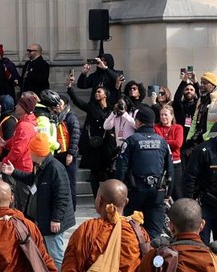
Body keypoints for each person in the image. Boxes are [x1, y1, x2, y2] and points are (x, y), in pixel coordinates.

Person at [0, 132, 75, 272]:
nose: (29, 154)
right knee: (47, 251)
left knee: (55, 254)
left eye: (31, 151)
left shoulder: (54, 168)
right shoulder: (41, 165)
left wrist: (56, 219)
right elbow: (32, 180)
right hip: (43, 216)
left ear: (37, 153)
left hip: (52, 220)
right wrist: (13, 172)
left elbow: (63, 195)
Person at [115, 107, 173, 238]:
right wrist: (168, 194)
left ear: (139, 122)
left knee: (131, 232)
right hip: (156, 193)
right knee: (154, 233)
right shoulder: (162, 142)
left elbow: (121, 169)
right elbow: (170, 169)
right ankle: (153, 257)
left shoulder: (131, 141)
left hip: (135, 192)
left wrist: (118, 192)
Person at [184, 117, 217, 253]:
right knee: (201, 245)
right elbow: (190, 177)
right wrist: (190, 203)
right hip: (205, 205)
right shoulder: (203, 150)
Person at [68, 79, 114, 198]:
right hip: (95, 143)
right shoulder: (92, 107)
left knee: (108, 171)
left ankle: (109, 196)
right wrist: (70, 89)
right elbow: (78, 102)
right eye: (96, 92)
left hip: (107, 143)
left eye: (99, 92)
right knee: (94, 173)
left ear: (105, 95)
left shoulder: (111, 109)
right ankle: (96, 197)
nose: (96, 94)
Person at [0, 95, 36, 210]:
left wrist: (3, 163)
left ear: (24, 108)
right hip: (24, 165)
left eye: (19, 105)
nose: (16, 106)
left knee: (23, 202)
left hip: (22, 166)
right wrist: (6, 143)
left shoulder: (24, 126)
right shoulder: (27, 123)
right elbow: (17, 140)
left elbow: (18, 150)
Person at [53, 93, 80, 211]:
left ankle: (71, 208)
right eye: (56, 103)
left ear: (65, 105)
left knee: (70, 183)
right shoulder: (54, 117)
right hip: (57, 154)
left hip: (68, 155)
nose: (58, 105)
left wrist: (71, 153)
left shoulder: (70, 117)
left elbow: (75, 135)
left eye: (60, 103)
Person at [154, 104, 184, 199]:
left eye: (166, 115)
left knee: (177, 191)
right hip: (161, 163)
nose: (163, 117)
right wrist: (168, 142)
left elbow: (178, 144)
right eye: (161, 115)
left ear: (172, 116)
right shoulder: (156, 128)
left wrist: (162, 141)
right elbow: (155, 143)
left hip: (175, 163)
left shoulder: (178, 128)